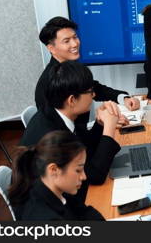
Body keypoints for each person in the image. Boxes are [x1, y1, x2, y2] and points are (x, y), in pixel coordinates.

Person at [21, 60, 121, 201]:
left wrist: (100, 124)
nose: (93, 96)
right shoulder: (53, 138)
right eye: (90, 92)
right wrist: (109, 129)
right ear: (72, 100)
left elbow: (84, 147)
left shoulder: (57, 112)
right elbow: (94, 176)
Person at [36, 16, 140, 129]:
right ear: (51, 48)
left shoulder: (71, 67)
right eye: (67, 41)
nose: (75, 44)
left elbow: (96, 88)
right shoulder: (48, 83)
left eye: (75, 37)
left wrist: (124, 98)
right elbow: (56, 132)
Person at [10, 130, 105, 220]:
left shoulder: (56, 189)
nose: (84, 177)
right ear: (54, 170)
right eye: (78, 170)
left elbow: (85, 212)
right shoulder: (45, 218)